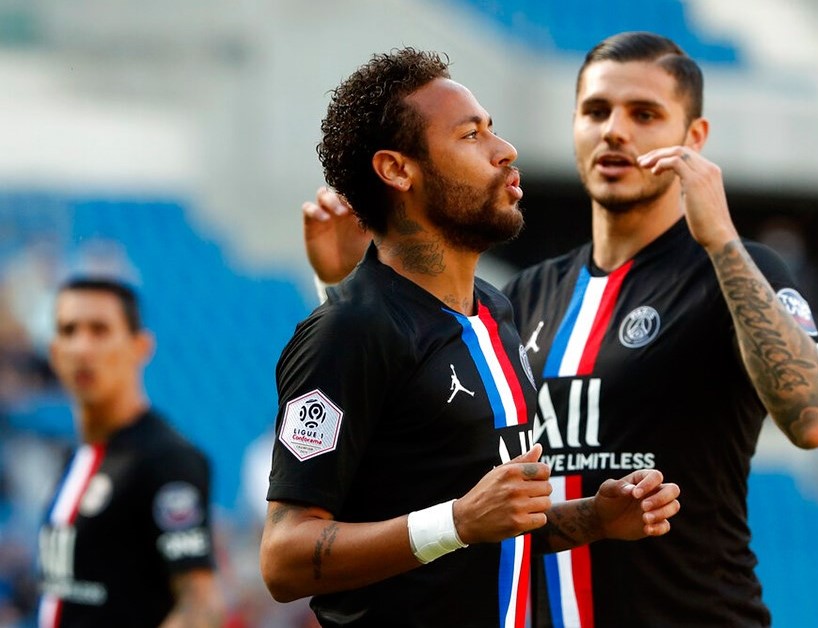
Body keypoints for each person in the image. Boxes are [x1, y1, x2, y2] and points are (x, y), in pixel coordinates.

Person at [302, 32, 818, 627]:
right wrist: (344, 281)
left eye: (644, 114)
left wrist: (721, 240)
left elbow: (813, 420)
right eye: (596, 111)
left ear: (693, 138)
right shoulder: (520, 297)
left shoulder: (734, 272)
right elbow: (411, 421)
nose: (615, 131)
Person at [259, 47, 681, 628]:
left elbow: (490, 523)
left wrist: (594, 517)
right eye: (470, 135)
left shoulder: (496, 311)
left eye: (492, 129)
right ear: (397, 170)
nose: (504, 150)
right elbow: (283, 558)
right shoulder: (349, 330)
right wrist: (457, 521)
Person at [37, 277, 225, 627]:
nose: (82, 347)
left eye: (100, 330)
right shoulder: (78, 456)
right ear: (54, 352)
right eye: (69, 330)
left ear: (140, 347)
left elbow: (201, 608)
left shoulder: (166, 459)